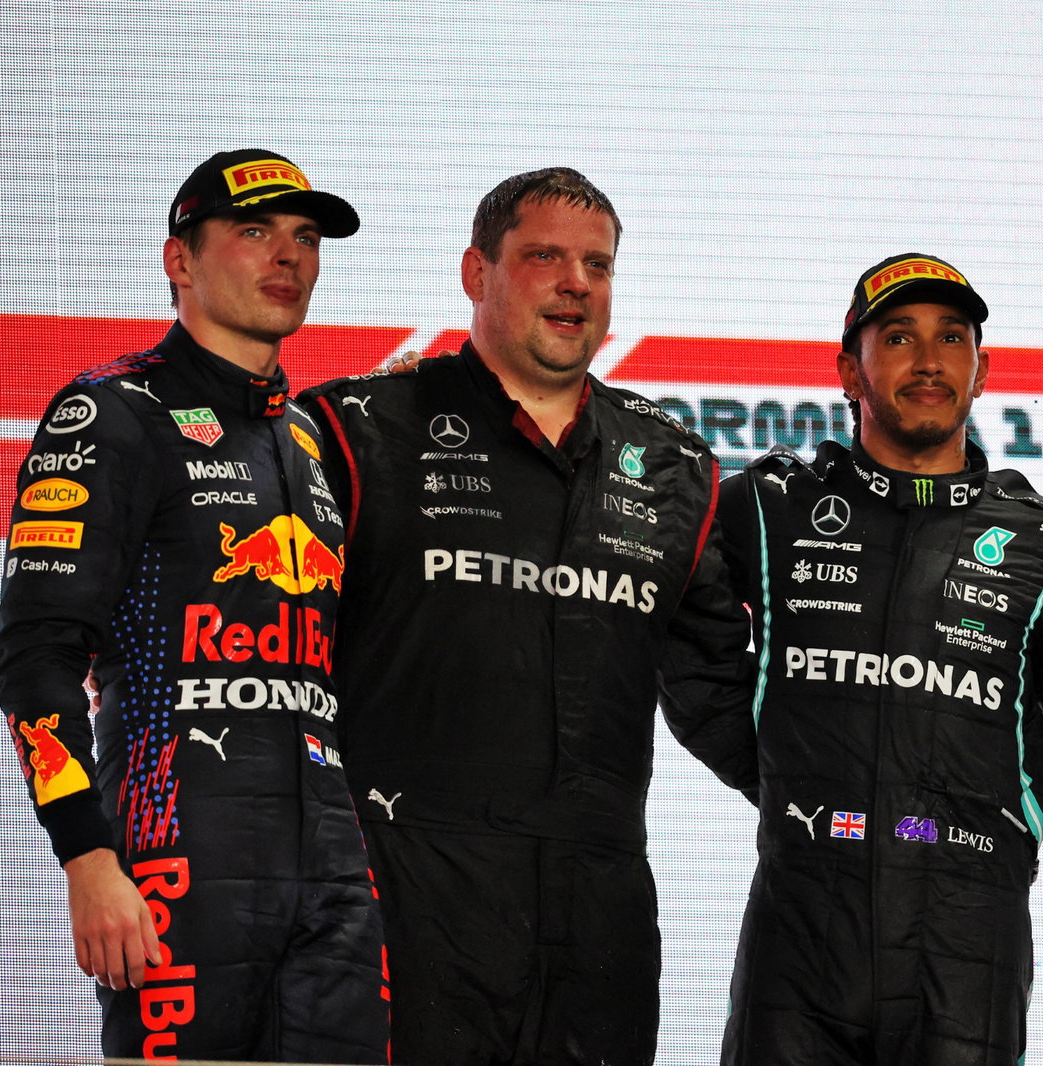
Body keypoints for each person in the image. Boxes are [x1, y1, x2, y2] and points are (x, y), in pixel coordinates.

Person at [300, 167, 756, 1066]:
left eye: (598, 264)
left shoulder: (673, 465)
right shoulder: (357, 429)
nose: (576, 283)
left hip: (599, 913)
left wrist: (848, 800)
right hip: (400, 889)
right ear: (476, 272)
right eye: (545, 257)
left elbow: (714, 691)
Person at [0, 149, 388, 1062]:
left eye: (306, 238)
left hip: (333, 874)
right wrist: (86, 855)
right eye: (254, 231)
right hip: (178, 857)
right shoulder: (110, 413)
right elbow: (35, 658)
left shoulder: (312, 439)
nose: (288, 257)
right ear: (180, 260)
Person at [715, 253, 1043, 1065]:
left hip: (969, 936)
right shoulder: (769, 506)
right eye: (899, 337)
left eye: (952, 338)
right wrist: (777, 772)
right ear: (850, 370)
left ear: (982, 371)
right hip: (801, 924)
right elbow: (664, 635)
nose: (930, 360)